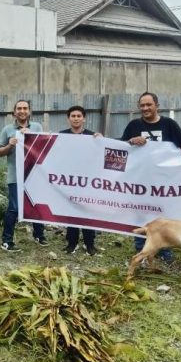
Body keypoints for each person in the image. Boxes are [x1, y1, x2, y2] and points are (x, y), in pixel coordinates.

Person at [121, 92, 181, 262]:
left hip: (164, 183)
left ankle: (164, 251)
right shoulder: (133, 125)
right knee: (142, 215)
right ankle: (142, 250)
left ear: (157, 106)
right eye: (142, 105)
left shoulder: (169, 124)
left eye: (149, 105)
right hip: (141, 182)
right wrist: (131, 141)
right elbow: (122, 148)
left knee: (164, 217)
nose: (145, 108)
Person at [0, 99, 48, 252]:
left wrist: (32, 136)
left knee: (37, 205)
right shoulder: (7, 129)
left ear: (29, 111)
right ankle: (6, 241)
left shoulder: (37, 127)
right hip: (15, 176)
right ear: (14, 112)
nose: (22, 111)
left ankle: (39, 235)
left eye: (25, 108)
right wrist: (10, 144)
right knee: (14, 208)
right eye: (19, 108)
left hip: (34, 175)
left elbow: (44, 147)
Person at [60, 105, 100, 256]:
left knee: (88, 212)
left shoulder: (93, 136)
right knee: (71, 212)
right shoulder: (61, 136)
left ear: (84, 118)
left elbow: (100, 154)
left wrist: (101, 141)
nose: (76, 118)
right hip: (68, 181)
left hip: (88, 181)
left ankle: (90, 244)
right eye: (73, 116)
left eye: (78, 116)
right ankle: (72, 243)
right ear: (68, 119)